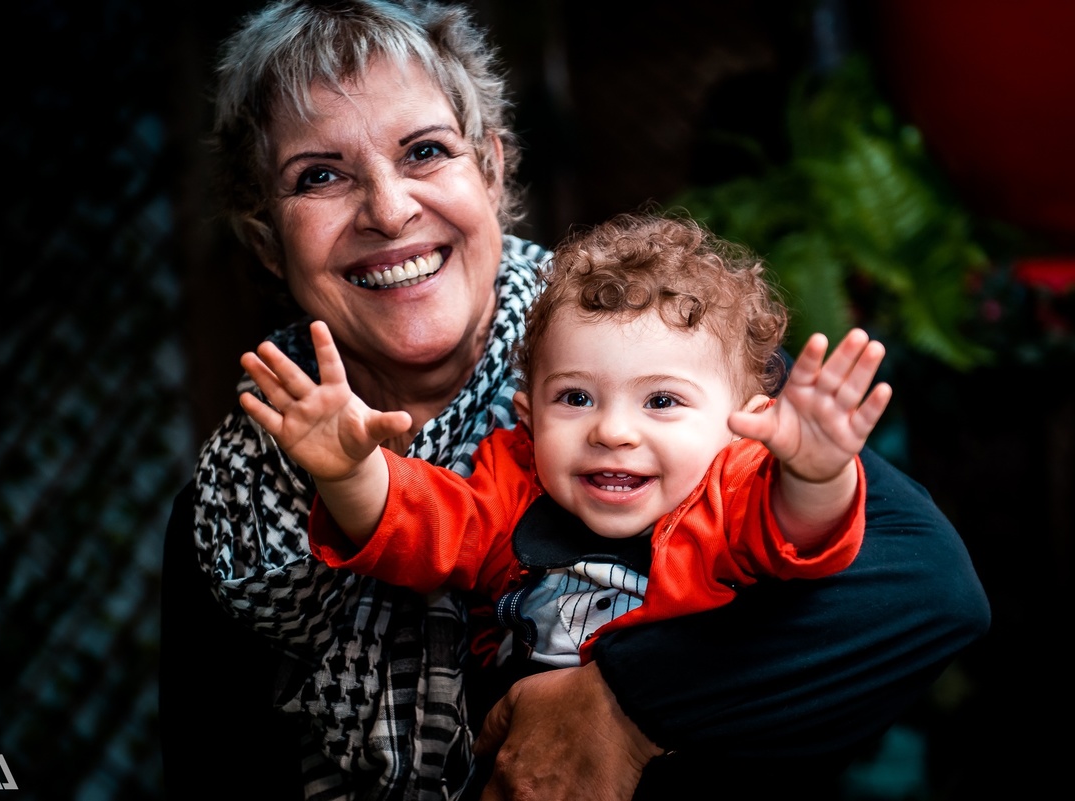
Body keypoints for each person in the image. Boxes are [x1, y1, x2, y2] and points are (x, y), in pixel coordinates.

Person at [158, 2, 991, 800]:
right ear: (268, 236)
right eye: (321, 175)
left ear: (491, 165)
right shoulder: (233, 503)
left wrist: (619, 706)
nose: (388, 208)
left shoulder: (656, 343)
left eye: (425, 152)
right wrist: (348, 476)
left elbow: (924, 588)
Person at [240, 212, 888, 676]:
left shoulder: (735, 491)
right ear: (528, 413)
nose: (611, 430)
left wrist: (816, 472)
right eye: (575, 398)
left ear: (747, 421)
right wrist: (350, 472)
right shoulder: (511, 488)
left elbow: (801, 538)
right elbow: (421, 526)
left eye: (661, 401)